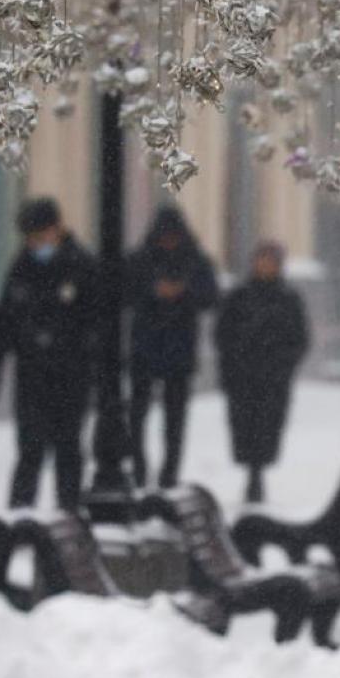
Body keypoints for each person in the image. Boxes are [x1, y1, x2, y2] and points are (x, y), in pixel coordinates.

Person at [0, 198, 101, 512]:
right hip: (32, 374)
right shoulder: (21, 267)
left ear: (56, 230)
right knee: (29, 449)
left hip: (71, 374)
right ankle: (20, 513)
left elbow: (95, 321)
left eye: (41, 236)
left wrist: (82, 356)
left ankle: (68, 510)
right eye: (31, 238)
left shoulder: (81, 266)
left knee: (68, 448)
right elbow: (6, 318)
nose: (36, 244)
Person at [125, 206, 218, 489]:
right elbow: (125, 292)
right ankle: (139, 467)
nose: (168, 242)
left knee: (175, 419)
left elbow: (210, 297)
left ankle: (169, 473)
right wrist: (154, 292)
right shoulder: (141, 261)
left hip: (179, 348)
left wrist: (183, 293)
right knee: (137, 415)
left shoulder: (195, 261)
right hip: (145, 347)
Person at [215, 241, 310, 503]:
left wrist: (283, 364)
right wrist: (233, 365)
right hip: (242, 377)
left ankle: (258, 475)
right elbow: (223, 335)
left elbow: (299, 338)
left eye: (270, 260)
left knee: (267, 427)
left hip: (273, 379)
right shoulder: (239, 296)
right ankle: (251, 474)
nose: (265, 265)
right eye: (262, 259)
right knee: (244, 427)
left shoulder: (288, 298)